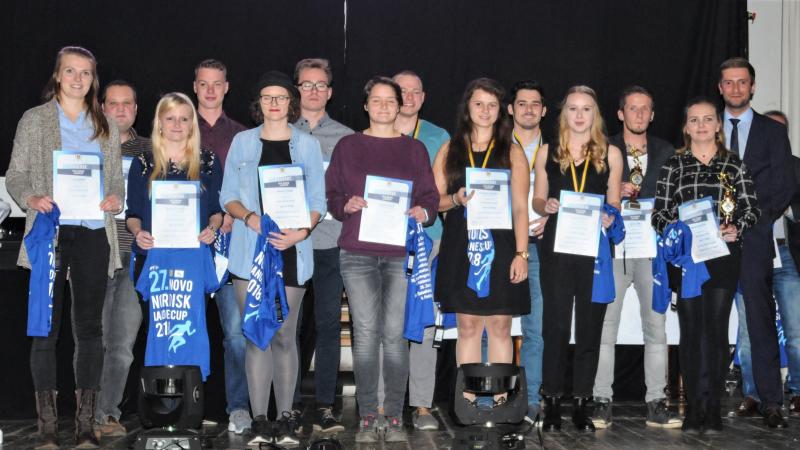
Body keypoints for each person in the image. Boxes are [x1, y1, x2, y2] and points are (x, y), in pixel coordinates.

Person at [6, 45, 125, 449]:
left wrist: (115, 198)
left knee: (90, 330)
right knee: (45, 329)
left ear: (94, 79)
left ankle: (86, 426)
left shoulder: (105, 123)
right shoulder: (35, 119)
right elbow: (15, 175)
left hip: (92, 232)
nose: (78, 79)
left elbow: (115, 180)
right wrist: (31, 197)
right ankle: (47, 429)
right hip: (50, 234)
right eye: (70, 71)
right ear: (57, 75)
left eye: (85, 73)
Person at [325, 76, 439, 443]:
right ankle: (367, 414)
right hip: (357, 252)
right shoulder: (348, 146)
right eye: (376, 100)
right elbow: (332, 194)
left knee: (393, 335)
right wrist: (345, 205)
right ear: (366, 105)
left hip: (400, 255)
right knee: (365, 334)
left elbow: (430, 197)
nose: (384, 106)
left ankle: (392, 415)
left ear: (400, 105)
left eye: (391, 100)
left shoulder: (414, 150)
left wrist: (423, 212)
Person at [220, 70, 326, 446]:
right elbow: (227, 196)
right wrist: (249, 218)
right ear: (259, 103)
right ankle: (260, 421)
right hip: (250, 250)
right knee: (255, 336)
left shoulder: (307, 146)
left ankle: (285, 419)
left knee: (284, 335)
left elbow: (318, 200)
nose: (275, 103)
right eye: (267, 97)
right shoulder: (242, 142)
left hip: (291, 250)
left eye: (281, 97)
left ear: (291, 102)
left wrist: (302, 231)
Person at [652, 97, 759, 433]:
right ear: (686, 127)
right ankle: (693, 408)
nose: (701, 125)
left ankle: (713, 408)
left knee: (715, 331)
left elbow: (751, 209)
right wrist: (676, 228)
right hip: (687, 259)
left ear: (718, 125)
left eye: (708, 119)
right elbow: (658, 214)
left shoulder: (734, 165)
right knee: (690, 331)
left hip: (723, 257)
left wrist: (736, 227)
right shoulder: (674, 165)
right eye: (694, 120)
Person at [434, 78, 530, 406]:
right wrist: (455, 199)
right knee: (468, 326)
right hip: (462, 248)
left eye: (492, 105)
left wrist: (521, 254)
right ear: (467, 108)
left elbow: (520, 208)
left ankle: (500, 400)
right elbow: (434, 201)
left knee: (501, 326)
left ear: (501, 110)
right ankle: (470, 400)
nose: (485, 111)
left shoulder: (512, 152)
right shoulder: (450, 149)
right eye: (478, 104)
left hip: (502, 249)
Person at [532, 85, 623, 432]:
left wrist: (610, 215)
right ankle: (553, 400)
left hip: (594, 249)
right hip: (557, 245)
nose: (580, 115)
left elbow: (614, 201)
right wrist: (547, 205)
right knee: (554, 326)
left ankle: (583, 401)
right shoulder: (547, 151)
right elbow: (538, 199)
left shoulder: (610, 153)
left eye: (586, 108)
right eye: (573, 108)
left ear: (595, 114)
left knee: (589, 327)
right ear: (563, 113)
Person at [591, 86, 680, 429]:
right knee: (605, 327)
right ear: (620, 113)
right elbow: (589, 192)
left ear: (652, 115)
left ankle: (657, 401)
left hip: (650, 250)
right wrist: (613, 193)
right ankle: (601, 400)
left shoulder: (667, 151)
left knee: (655, 327)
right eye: (632, 108)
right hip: (613, 249)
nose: (639, 114)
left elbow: (674, 200)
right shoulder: (603, 148)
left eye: (645, 109)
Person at [719, 58, 794, 429]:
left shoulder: (772, 132)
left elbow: (783, 186)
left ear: (752, 87)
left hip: (755, 239)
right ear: (720, 88)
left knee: (760, 320)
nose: (736, 88)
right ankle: (704, 402)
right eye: (729, 82)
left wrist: (746, 223)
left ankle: (771, 402)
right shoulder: (704, 126)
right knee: (705, 319)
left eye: (742, 82)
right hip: (711, 240)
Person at [291, 58, 353, 433]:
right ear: (296, 90)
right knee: (291, 328)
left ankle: (326, 405)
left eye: (320, 85)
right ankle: (291, 404)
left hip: (331, 243)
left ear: (329, 92)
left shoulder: (347, 138)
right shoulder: (280, 133)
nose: (313, 91)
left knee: (329, 325)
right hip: (291, 244)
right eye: (306, 84)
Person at [193, 58, 251, 434]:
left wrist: (232, 213)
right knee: (188, 329)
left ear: (227, 87)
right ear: (195, 87)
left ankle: (238, 407)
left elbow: (250, 189)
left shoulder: (243, 136)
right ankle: (188, 406)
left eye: (217, 83)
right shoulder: (179, 129)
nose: (211, 90)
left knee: (235, 334)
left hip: (233, 244)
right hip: (190, 245)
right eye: (204, 83)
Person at [391, 69, 450, 431]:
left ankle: (423, 405)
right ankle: (388, 404)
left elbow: (443, 194)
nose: (408, 97)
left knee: (425, 322)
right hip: (384, 239)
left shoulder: (438, 136)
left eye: (415, 91)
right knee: (389, 324)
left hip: (430, 238)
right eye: (401, 91)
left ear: (423, 97)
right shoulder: (372, 133)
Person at [95, 80, 153, 437]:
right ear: (102, 107)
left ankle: (106, 414)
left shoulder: (150, 150)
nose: (120, 109)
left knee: (122, 345)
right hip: (94, 254)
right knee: (93, 341)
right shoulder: (87, 147)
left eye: (127, 103)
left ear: (136, 109)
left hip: (135, 257)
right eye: (113, 103)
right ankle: (87, 414)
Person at [736, 109, 800, 417]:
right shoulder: (746, 168)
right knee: (749, 329)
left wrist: (783, 210)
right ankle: (753, 393)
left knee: (795, 328)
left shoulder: (796, 167)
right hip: (750, 252)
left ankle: (797, 390)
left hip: (786, 254)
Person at [125, 92, 222, 281]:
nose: (177, 124)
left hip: (195, 257)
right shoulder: (142, 163)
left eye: (184, 119)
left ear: (192, 125)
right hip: (152, 256)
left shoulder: (209, 161)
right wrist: (138, 233)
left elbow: (216, 211)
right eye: (170, 118)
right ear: (159, 123)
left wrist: (211, 230)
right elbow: (133, 214)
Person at [507, 79, 549, 421]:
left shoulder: (559, 148)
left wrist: (553, 216)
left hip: (541, 245)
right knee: (494, 324)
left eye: (535, 103)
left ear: (544, 110)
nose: (529, 109)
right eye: (522, 103)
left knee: (535, 328)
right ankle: (491, 395)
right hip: (503, 245)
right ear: (511, 109)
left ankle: (532, 399)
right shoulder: (493, 146)